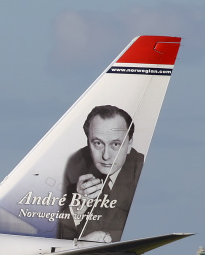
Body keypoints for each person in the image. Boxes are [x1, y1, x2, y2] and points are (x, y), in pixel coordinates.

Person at [56, 104, 144, 242]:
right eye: (98, 143)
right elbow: (56, 239)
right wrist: (77, 208)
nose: (106, 156)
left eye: (115, 144)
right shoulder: (73, 167)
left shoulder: (143, 172)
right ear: (88, 141)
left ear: (130, 144)